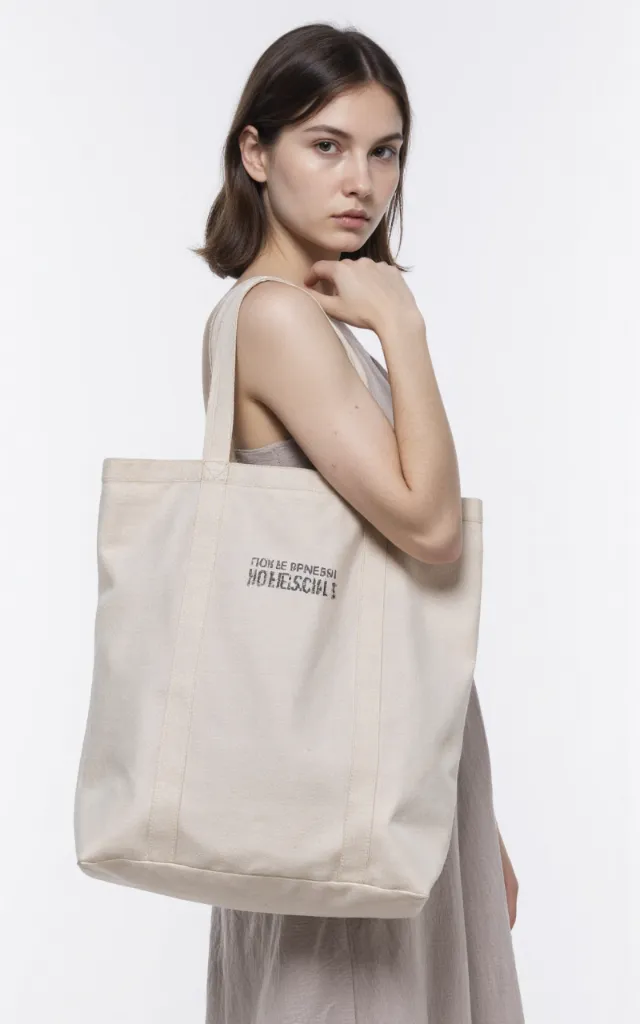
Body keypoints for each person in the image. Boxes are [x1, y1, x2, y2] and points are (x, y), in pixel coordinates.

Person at [193, 21, 525, 1024]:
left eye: (385, 153)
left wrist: (478, 820)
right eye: (325, 144)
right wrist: (404, 325)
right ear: (256, 153)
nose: (362, 183)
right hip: (341, 769)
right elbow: (429, 531)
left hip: (395, 757)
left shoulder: (315, 319)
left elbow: (399, 585)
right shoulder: (276, 319)